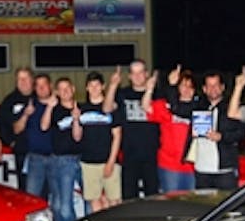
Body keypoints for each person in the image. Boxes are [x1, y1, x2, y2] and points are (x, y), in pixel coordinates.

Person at [175, 69, 244, 189]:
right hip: (202, 169)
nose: (213, 89)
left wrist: (221, 136)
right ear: (204, 89)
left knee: (227, 205)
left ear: (222, 87)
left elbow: (242, 132)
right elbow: (177, 109)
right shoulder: (198, 106)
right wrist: (172, 86)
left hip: (224, 170)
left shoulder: (232, 106)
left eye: (216, 85)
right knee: (203, 207)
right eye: (209, 85)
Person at [104, 59, 160, 199]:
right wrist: (112, 86)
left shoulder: (156, 94)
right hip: (129, 155)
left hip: (152, 155)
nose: (137, 76)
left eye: (140, 72)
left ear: (146, 74)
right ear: (129, 76)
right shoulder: (122, 94)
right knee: (129, 199)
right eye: (134, 73)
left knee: (152, 198)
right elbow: (106, 108)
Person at [142, 66, 197, 192]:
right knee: (172, 207)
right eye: (183, 85)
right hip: (169, 166)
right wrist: (149, 89)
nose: (187, 89)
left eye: (190, 86)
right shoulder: (166, 105)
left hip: (192, 167)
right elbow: (146, 107)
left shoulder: (199, 109)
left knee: (191, 206)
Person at [41, 77, 84, 221]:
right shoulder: (55, 109)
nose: (65, 91)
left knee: (66, 208)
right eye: (61, 89)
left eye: (67, 88)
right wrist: (49, 107)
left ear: (73, 89)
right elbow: (44, 126)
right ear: (57, 92)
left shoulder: (81, 108)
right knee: (56, 205)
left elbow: (78, 137)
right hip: (55, 160)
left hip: (73, 160)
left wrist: (76, 119)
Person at [78, 71, 122, 212]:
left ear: (103, 86)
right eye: (91, 85)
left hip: (108, 162)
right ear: (86, 88)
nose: (94, 88)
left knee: (114, 201)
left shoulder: (112, 107)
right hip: (88, 162)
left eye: (97, 85)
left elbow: (117, 136)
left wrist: (111, 162)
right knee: (95, 202)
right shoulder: (81, 109)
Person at [13, 74, 55, 198]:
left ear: (50, 86)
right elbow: (16, 129)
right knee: (32, 198)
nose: (41, 88)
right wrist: (25, 115)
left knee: (57, 200)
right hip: (35, 159)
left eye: (44, 85)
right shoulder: (30, 106)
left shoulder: (60, 105)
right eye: (38, 85)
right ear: (34, 88)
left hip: (56, 160)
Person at [0, 66, 35, 190]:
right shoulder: (10, 101)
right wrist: (11, 141)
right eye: (19, 79)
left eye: (25, 78)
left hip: (43, 153)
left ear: (32, 80)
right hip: (22, 153)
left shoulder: (41, 96)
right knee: (25, 187)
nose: (22, 82)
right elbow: (2, 124)